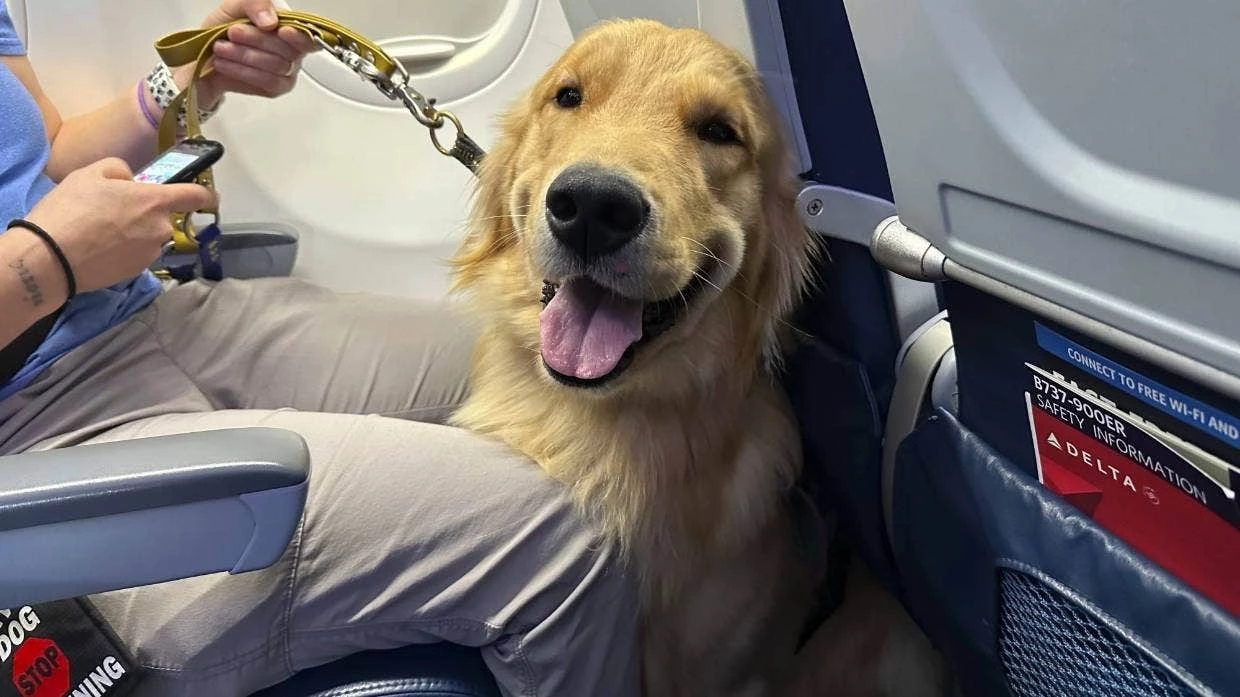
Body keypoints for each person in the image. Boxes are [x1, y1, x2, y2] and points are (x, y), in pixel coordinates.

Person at [0, 1, 639, 695]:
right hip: (35, 430)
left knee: (558, 375)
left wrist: (187, 81)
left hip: (137, 317)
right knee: (567, 543)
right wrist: (46, 261)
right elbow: (43, 240)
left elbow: (47, 154)